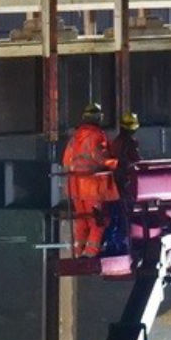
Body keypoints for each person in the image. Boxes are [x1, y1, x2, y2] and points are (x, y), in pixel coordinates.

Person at [61, 102, 118, 256]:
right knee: (98, 221)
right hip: (91, 187)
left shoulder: (75, 137)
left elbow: (66, 161)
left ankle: (79, 252)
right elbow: (100, 158)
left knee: (82, 221)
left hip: (75, 187)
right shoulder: (96, 135)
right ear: (98, 117)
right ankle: (91, 253)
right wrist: (116, 163)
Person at [102, 111, 144, 257]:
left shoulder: (116, 142)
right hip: (124, 186)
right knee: (124, 217)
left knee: (115, 216)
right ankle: (122, 246)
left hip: (113, 185)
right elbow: (136, 161)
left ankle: (114, 246)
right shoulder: (129, 143)